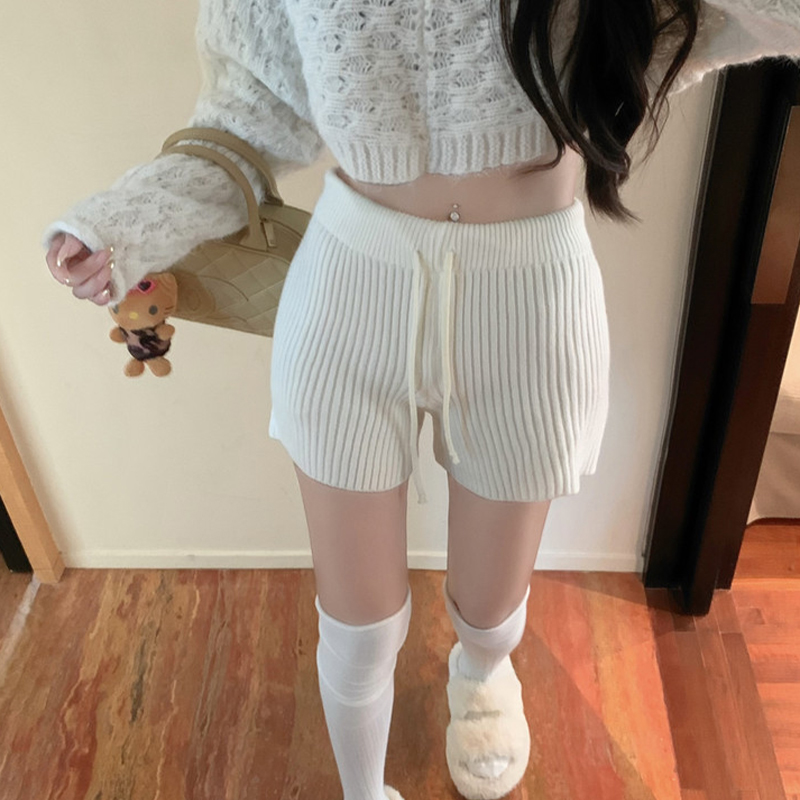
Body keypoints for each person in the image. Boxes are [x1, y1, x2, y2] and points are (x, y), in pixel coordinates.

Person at [42, 1, 800, 798]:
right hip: (350, 286)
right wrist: (126, 221)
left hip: (529, 301)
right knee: (357, 626)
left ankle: (482, 673)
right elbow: (247, 111)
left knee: (491, 601)